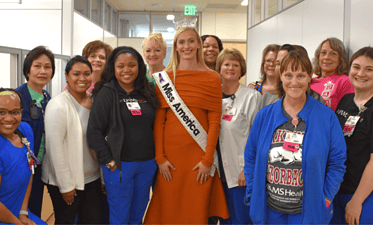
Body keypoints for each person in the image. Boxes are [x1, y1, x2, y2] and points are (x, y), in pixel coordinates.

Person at [244, 50, 347, 224]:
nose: (294, 82)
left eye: (300, 75)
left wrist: (327, 197)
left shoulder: (326, 117)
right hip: (269, 211)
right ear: (281, 77)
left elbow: (337, 162)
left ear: (309, 78)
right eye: (288, 75)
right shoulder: (265, 115)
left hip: (309, 211)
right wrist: (253, 192)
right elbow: (251, 157)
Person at [143, 27, 230, 224]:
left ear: (198, 44)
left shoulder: (213, 78)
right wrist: (160, 158)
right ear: (175, 47)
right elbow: (159, 122)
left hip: (199, 158)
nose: (186, 46)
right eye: (181, 42)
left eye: (191, 41)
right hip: (170, 160)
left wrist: (208, 160)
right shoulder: (164, 79)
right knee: (169, 210)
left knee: (196, 211)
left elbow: (215, 121)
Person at [87, 46, 158, 224]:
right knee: (120, 215)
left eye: (132, 65)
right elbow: (94, 131)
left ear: (139, 67)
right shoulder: (107, 92)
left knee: (137, 214)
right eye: (121, 66)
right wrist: (108, 161)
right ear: (114, 68)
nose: (126, 70)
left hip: (147, 164)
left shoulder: (147, 90)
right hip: (119, 165)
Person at [42, 56, 103, 224]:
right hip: (64, 181)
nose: (82, 78)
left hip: (92, 178)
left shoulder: (95, 101)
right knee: (66, 221)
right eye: (76, 74)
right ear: (66, 76)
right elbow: (55, 148)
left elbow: (101, 140)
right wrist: (66, 185)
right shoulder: (58, 105)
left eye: (86, 74)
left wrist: (103, 176)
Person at [0, 88, 46, 225]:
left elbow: (29, 171)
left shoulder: (25, 130)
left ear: (21, 112)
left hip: (17, 213)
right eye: (1, 112)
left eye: (15, 112)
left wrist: (23, 214)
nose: (9, 118)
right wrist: (17, 222)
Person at [331, 47, 373, 225]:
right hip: (338, 190)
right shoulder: (346, 100)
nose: (361, 73)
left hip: (367, 195)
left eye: (369, 69)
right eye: (356, 67)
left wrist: (357, 201)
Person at [214, 48, 261, 224]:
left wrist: (246, 169)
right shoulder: (212, 95)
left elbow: (256, 137)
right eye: (226, 64)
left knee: (241, 219)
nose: (231, 68)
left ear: (242, 70)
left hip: (239, 172)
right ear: (219, 68)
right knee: (223, 219)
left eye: (236, 64)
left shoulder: (252, 97)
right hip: (217, 172)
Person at [16, 45, 55, 217]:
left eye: (47, 67)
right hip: (20, 167)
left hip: (39, 166)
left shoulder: (47, 97)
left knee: (35, 211)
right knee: (19, 211)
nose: (42, 71)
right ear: (28, 69)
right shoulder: (16, 97)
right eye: (37, 66)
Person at [311, 37, 354, 111]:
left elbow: (347, 113)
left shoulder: (345, 81)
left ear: (340, 59)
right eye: (323, 53)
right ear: (318, 56)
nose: (327, 57)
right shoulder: (310, 81)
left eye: (333, 54)